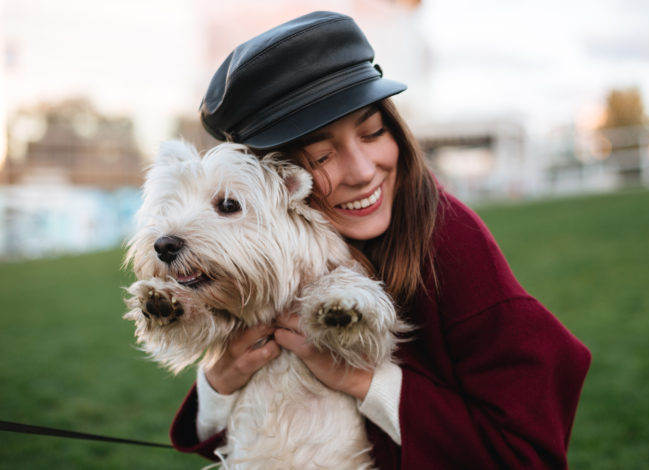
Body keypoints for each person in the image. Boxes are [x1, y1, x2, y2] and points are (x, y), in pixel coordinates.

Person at [170, 11, 591, 469]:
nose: (364, 171)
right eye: (323, 156)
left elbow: (527, 454)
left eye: (373, 133)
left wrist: (367, 381)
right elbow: (237, 434)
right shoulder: (263, 254)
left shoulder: (450, 242)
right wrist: (218, 381)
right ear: (274, 182)